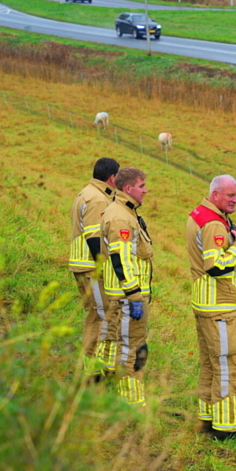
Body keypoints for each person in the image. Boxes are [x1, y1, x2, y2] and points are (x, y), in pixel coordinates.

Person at [186, 174, 236, 440]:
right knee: (227, 365)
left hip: (205, 301)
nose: (235, 199)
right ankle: (227, 429)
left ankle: (206, 419)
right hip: (219, 305)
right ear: (215, 194)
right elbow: (214, 266)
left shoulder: (199, 214)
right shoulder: (214, 224)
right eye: (230, 195)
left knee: (209, 364)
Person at [101, 167, 153, 408]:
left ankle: (110, 390)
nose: (145, 191)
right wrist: (133, 295)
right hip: (126, 296)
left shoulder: (125, 211)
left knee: (119, 342)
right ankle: (131, 402)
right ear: (128, 188)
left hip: (121, 293)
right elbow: (120, 258)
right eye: (141, 187)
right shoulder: (121, 217)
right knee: (131, 347)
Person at [68, 157, 118, 381]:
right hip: (91, 267)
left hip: (85, 265)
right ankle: (90, 370)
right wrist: (105, 265)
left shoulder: (88, 192)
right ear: (112, 178)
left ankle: (93, 367)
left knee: (98, 314)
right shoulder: (97, 198)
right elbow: (93, 235)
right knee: (101, 315)